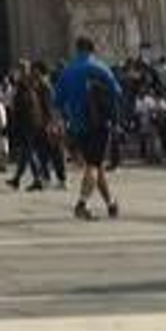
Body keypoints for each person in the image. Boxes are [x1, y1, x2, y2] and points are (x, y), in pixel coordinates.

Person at [54, 37, 124, 221]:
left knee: (96, 165)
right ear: (92, 49)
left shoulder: (67, 70)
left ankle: (111, 204)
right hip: (98, 123)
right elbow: (118, 92)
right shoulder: (99, 67)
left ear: (77, 49)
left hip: (77, 126)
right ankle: (82, 204)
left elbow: (57, 102)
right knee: (93, 165)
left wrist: (61, 121)